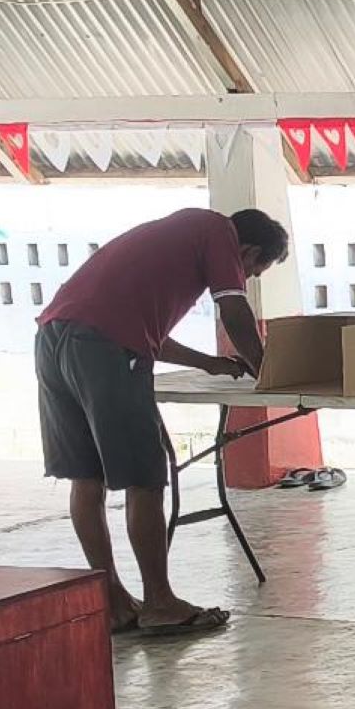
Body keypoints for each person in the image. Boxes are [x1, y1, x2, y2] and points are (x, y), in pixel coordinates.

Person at [34, 207, 287, 636]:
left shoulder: (174, 236)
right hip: (102, 349)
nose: (246, 278)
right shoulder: (217, 231)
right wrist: (268, 369)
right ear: (247, 250)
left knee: (86, 477)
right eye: (254, 270)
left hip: (54, 340)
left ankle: (112, 602)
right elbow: (234, 309)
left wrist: (209, 363)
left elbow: (144, 335)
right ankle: (160, 602)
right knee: (144, 480)